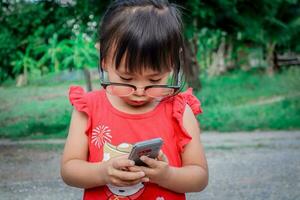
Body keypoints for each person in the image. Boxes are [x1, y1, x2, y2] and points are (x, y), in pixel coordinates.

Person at [61, 0, 208, 199]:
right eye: (126, 78)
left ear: (172, 63)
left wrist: (167, 175)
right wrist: (103, 172)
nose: (139, 91)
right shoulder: (88, 109)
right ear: (104, 59)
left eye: (155, 79)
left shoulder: (180, 111)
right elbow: (69, 170)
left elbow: (199, 176)